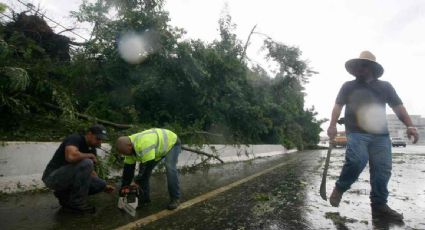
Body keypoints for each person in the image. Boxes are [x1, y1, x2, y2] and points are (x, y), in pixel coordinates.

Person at [327, 51, 419, 221]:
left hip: (381, 136)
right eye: (356, 66)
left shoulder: (385, 87)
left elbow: (398, 107)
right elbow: (337, 106)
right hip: (356, 132)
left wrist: (410, 125)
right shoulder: (348, 86)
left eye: (362, 65)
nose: (358, 68)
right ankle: (340, 187)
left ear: (371, 68)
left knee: (382, 170)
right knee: (356, 161)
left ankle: (379, 206)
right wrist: (332, 125)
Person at [42, 124, 114, 213]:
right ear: (89, 134)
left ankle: (65, 197)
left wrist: (104, 186)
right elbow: (70, 156)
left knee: (100, 184)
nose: (99, 142)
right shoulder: (75, 138)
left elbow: (89, 171)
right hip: (52, 177)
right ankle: (77, 203)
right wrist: (89, 156)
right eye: (98, 138)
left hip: (67, 178)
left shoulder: (92, 149)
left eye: (101, 139)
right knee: (87, 162)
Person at [115, 128, 181, 210]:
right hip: (157, 149)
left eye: (125, 153)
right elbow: (127, 173)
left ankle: (175, 198)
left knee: (170, 168)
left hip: (172, 143)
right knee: (142, 175)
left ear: (130, 146)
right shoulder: (128, 150)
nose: (126, 155)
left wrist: (136, 181)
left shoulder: (144, 144)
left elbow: (145, 169)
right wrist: (123, 190)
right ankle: (144, 201)